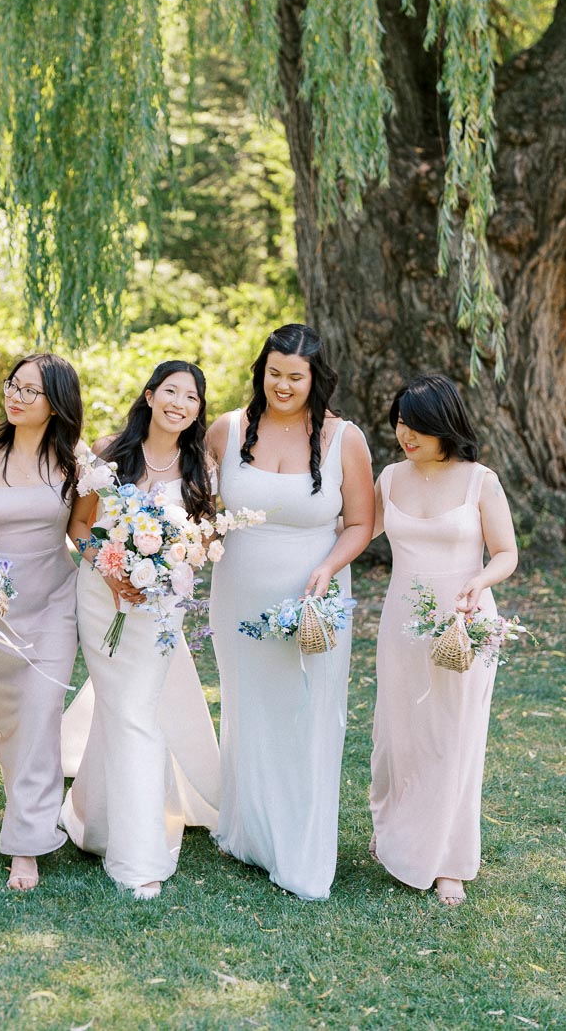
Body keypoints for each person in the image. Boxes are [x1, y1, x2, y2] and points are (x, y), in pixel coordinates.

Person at [207, 323, 374, 899]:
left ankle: (301, 851)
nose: (283, 385)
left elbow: (361, 523)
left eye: (295, 377)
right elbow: (190, 499)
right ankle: (249, 832)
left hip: (313, 595)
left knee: (308, 713)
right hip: (238, 595)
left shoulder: (343, 438)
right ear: (262, 371)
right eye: (274, 373)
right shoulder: (226, 431)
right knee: (250, 709)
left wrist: (328, 568)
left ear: (315, 379)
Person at [60, 360, 221, 900]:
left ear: (199, 409)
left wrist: (166, 568)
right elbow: (79, 526)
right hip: (102, 597)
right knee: (122, 709)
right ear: (150, 395)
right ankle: (127, 845)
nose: (179, 402)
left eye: (191, 396)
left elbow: (200, 542)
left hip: (159, 607)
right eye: (170, 391)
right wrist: (112, 572)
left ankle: (117, 836)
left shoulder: (201, 466)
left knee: (136, 713)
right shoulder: (111, 452)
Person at [369, 372, 518, 906]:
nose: (406, 435)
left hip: (464, 620)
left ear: (445, 425)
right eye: (401, 424)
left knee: (454, 738)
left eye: (418, 427)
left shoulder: (481, 480)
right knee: (400, 734)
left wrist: (479, 580)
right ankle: (396, 834)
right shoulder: (388, 478)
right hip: (402, 624)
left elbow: (505, 553)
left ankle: (450, 861)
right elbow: (356, 530)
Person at [0, 353, 88, 892]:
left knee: (39, 714)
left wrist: (129, 565)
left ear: (56, 403)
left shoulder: (77, 463)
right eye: (14, 385)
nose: (16, 396)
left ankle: (26, 844)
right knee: (9, 724)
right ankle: (27, 808)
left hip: (54, 601)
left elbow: (83, 531)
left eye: (32, 391)